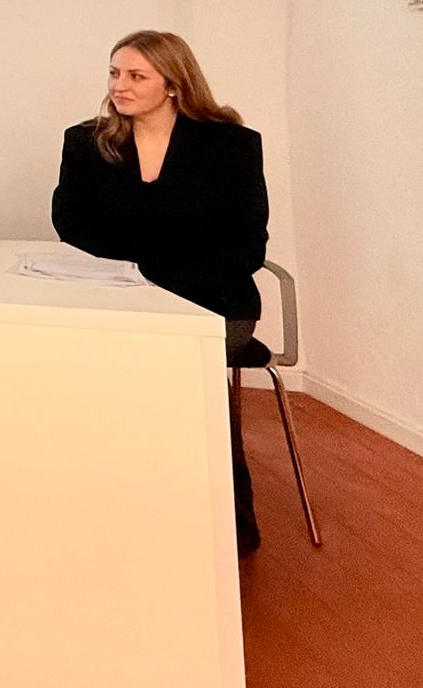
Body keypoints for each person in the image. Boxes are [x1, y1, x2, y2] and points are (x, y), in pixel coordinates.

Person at [50, 29, 269, 553]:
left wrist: (157, 281)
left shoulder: (232, 145)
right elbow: (70, 225)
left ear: (173, 83)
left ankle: (227, 526)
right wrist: (138, 281)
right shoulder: (85, 142)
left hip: (214, 302)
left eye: (135, 76)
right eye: (114, 73)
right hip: (120, 299)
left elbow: (245, 246)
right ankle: (119, 513)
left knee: (185, 365)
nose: (119, 86)